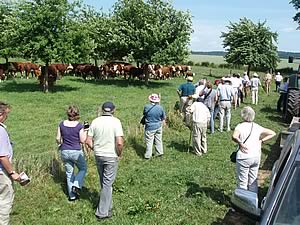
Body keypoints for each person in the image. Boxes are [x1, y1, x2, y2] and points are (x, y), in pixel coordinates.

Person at [86, 101, 124, 220]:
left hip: (99, 155)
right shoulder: (116, 122)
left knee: (104, 182)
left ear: (102, 110)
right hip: (111, 155)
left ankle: (108, 205)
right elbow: (119, 142)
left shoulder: (95, 121)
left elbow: (88, 140)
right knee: (107, 183)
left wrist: (95, 148)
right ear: (113, 110)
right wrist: (119, 153)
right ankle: (102, 212)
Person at [232, 106, 275, 193]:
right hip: (256, 156)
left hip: (244, 157)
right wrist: (261, 140)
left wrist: (240, 143)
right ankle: (253, 200)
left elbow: (234, 136)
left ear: (242, 115)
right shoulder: (257, 127)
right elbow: (272, 133)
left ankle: (242, 201)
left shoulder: (240, 126)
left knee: (242, 181)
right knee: (253, 181)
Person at [56, 105, 87, 201]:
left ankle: (72, 196)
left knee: (69, 173)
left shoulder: (61, 124)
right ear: (77, 115)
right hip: (76, 151)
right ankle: (76, 185)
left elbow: (58, 138)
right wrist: (86, 131)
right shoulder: (79, 126)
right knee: (83, 169)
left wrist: (61, 143)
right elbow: (82, 140)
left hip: (64, 151)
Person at [0, 102, 21, 225]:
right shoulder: (1, 131)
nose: (6, 118)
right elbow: (2, 156)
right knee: (4, 202)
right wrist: (12, 172)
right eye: (6, 115)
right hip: (2, 173)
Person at [143, 94, 166, 159]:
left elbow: (144, 114)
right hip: (158, 126)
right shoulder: (160, 107)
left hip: (149, 126)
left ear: (150, 100)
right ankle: (159, 153)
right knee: (158, 140)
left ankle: (148, 155)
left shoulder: (146, 107)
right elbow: (163, 117)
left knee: (149, 141)